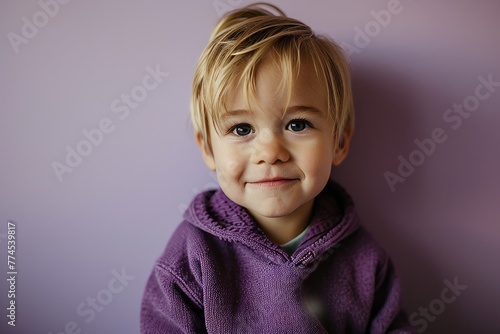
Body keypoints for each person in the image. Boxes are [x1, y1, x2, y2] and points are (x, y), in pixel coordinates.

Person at [141, 3, 413, 333]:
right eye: (242, 129)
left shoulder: (365, 260)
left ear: (339, 142)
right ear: (208, 149)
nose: (270, 153)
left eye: (298, 124)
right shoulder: (192, 256)